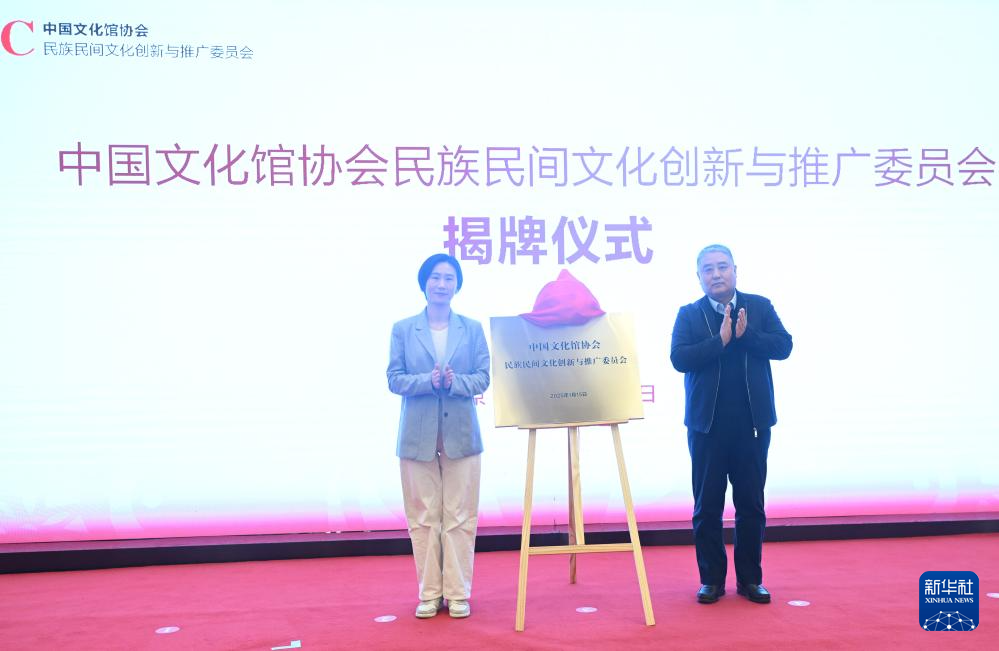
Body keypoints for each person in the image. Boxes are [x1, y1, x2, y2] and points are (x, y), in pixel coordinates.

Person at [669, 244, 792, 605]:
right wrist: (720, 341)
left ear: (735, 270)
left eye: (723, 267)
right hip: (706, 427)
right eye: (708, 269)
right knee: (707, 507)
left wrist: (746, 334)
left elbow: (783, 346)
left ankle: (751, 580)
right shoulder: (689, 314)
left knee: (751, 505)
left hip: (752, 426)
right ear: (699, 277)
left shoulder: (759, 306)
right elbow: (679, 358)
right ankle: (711, 580)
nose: (716, 274)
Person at [387, 253, 491, 619]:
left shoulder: (471, 329)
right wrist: (427, 382)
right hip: (418, 436)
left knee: (460, 515)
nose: (442, 284)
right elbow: (394, 378)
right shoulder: (403, 329)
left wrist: (455, 382)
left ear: (457, 285)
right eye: (435, 277)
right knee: (424, 517)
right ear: (424, 283)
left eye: (449, 278)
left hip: (461, 433)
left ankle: (458, 593)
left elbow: (483, 377)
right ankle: (430, 594)